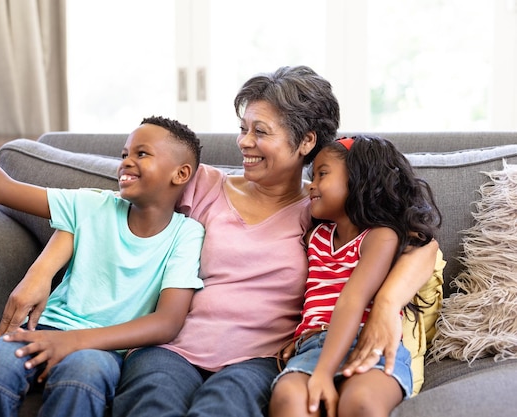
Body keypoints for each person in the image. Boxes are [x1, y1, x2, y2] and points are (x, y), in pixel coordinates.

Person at [110, 66, 439, 417]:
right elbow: (102, 208)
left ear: (306, 142)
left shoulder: (320, 210)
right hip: (171, 349)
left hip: (259, 360)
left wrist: (387, 305)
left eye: (260, 131)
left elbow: (422, 245)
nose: (244, 142)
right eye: (243, 129)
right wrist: (45, 267)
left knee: (223, 407)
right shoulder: (202, 183)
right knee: (152, 401)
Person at [0, 80, 205, 416]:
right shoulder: (92, 205)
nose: (125, 162)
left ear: (181, 173)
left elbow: (167, 322)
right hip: (44, 328)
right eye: (124, 154)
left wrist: (73, 342)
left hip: (105, 348)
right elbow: (2, 189)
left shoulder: (186, 234)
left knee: (82, 378)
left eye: (141, 153)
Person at [268, 136, 441, 417]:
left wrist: (323, 373)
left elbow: (353, 299)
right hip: (312, 346)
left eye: (322, 174)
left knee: (360, 402)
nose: (311, 185)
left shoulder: (380, 236)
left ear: (361, 179)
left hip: (368, 343)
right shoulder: (316, 236)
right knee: (289, 398)